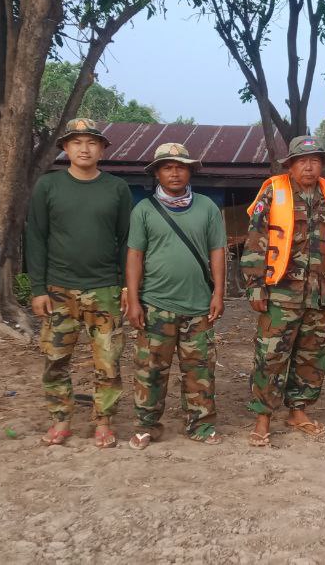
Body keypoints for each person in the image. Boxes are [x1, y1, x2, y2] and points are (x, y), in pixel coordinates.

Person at [25, 118, 131, 449]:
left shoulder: (117, 188)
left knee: (108, 360)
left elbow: (126, 241)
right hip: (59, 289)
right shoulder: (48, 186)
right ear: (65, 148)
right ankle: (61, 420)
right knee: (55, 359)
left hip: (105, 289)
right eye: (76, 142)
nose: (84, 149)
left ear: (102, 150)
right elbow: (35, 238)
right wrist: (38, 289)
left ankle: (104, 421)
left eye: (91, 143)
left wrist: (126, 286)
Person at [242, 135, 325, 447]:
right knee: (271, 355)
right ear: (290, 165)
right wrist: (254, 286)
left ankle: (298, 411)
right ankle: (263, 416)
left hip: (320, 293)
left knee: (312, 355)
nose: (309, 166)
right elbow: (255, 240)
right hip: (281, 293)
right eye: (302, 161)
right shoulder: (273, 192)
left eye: (315, 160)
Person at [125, 143, 227, 448]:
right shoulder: (144, 210)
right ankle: (146, 425)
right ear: (157, 173)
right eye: (167, 167)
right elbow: (135, 256)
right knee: (150, 370)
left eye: (181, 167)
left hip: (199, 305)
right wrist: (133, 300)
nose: (174, 173)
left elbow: (217, 251)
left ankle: (201, 424)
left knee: (199, 370)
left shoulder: (207, 207)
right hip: (155, 304)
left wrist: (219, 293)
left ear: (190, 171)